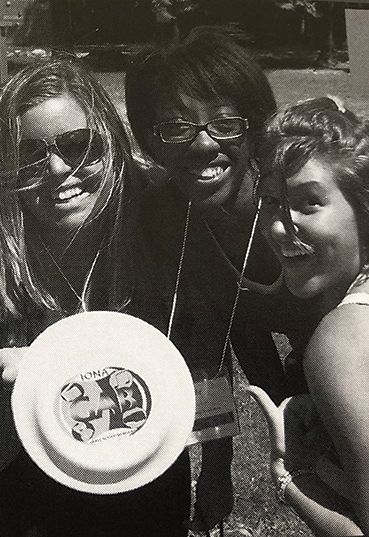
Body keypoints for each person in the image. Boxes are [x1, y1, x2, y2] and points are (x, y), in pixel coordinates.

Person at [0, 56, 191, 537]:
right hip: (36, 508)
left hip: (150, 493)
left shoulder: (159, 219)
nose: (57, 169)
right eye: (28, 153)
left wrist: (218, 463)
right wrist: (8, 390)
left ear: (110, 141)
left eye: (79, 145)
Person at [124, 26, 319, 530]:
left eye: (225, 124)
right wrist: (216, 469)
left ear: (255, 127)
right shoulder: (171, 219)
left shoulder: (303, 199)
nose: (203, 145)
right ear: (150, 140)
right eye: (175, 128)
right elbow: (213, 347)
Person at [249, 96, 369, 536]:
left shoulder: (341, 343)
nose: (281, 227)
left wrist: (291, 477)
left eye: (308, 203)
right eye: (271, 204)